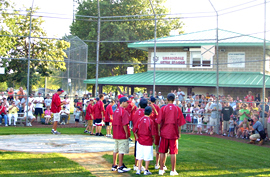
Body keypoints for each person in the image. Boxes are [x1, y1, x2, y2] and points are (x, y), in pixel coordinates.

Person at [156, 93, 186, 176]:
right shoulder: (177, 109)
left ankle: (161, 169)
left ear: (167, 99)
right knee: (173, 152)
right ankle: (173, 170)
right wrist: (179, 133)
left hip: (164, 132)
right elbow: (180, 123)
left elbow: (159, 121)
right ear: (174, 99)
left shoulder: (163, 108)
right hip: (173, 133)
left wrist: (159, 131)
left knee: (162, 151)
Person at [111, 97, 131, 173]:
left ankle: (114, 165)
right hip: (122, 133)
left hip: (116, 133)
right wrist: (126, 132)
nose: (128, 104)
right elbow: (125, 124)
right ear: (122, 102)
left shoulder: (116, 111)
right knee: (121, 150)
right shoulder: (124, 111)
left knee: (115, 149)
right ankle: (120, 166)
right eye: (127, 102)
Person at [133, 106, 155, 175]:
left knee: (140, 155)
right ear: (151, 113)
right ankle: (146, 170)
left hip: (140, 140)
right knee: (147, 156)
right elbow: (153, 133)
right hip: (148, 141)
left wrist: (137, 137)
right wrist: (153, 140)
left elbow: (134, 130)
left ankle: (138, 169)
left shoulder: (140, 119)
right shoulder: (150, 121)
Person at [132, 98, 148, 172]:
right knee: (143, 150)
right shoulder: (146, 112)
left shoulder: (136, 112)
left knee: (137, 149)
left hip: (136, 133)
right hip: (144, 134)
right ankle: (140, 165)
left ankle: (136, 165)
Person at [149, 96, 161, 170]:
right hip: (156, 130)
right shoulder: (156, 107)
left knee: (148, 147)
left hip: (150, 129)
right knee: (157, 149)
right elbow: (159, 117)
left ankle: (147, 162)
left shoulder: (148, 107)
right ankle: (157, 164)